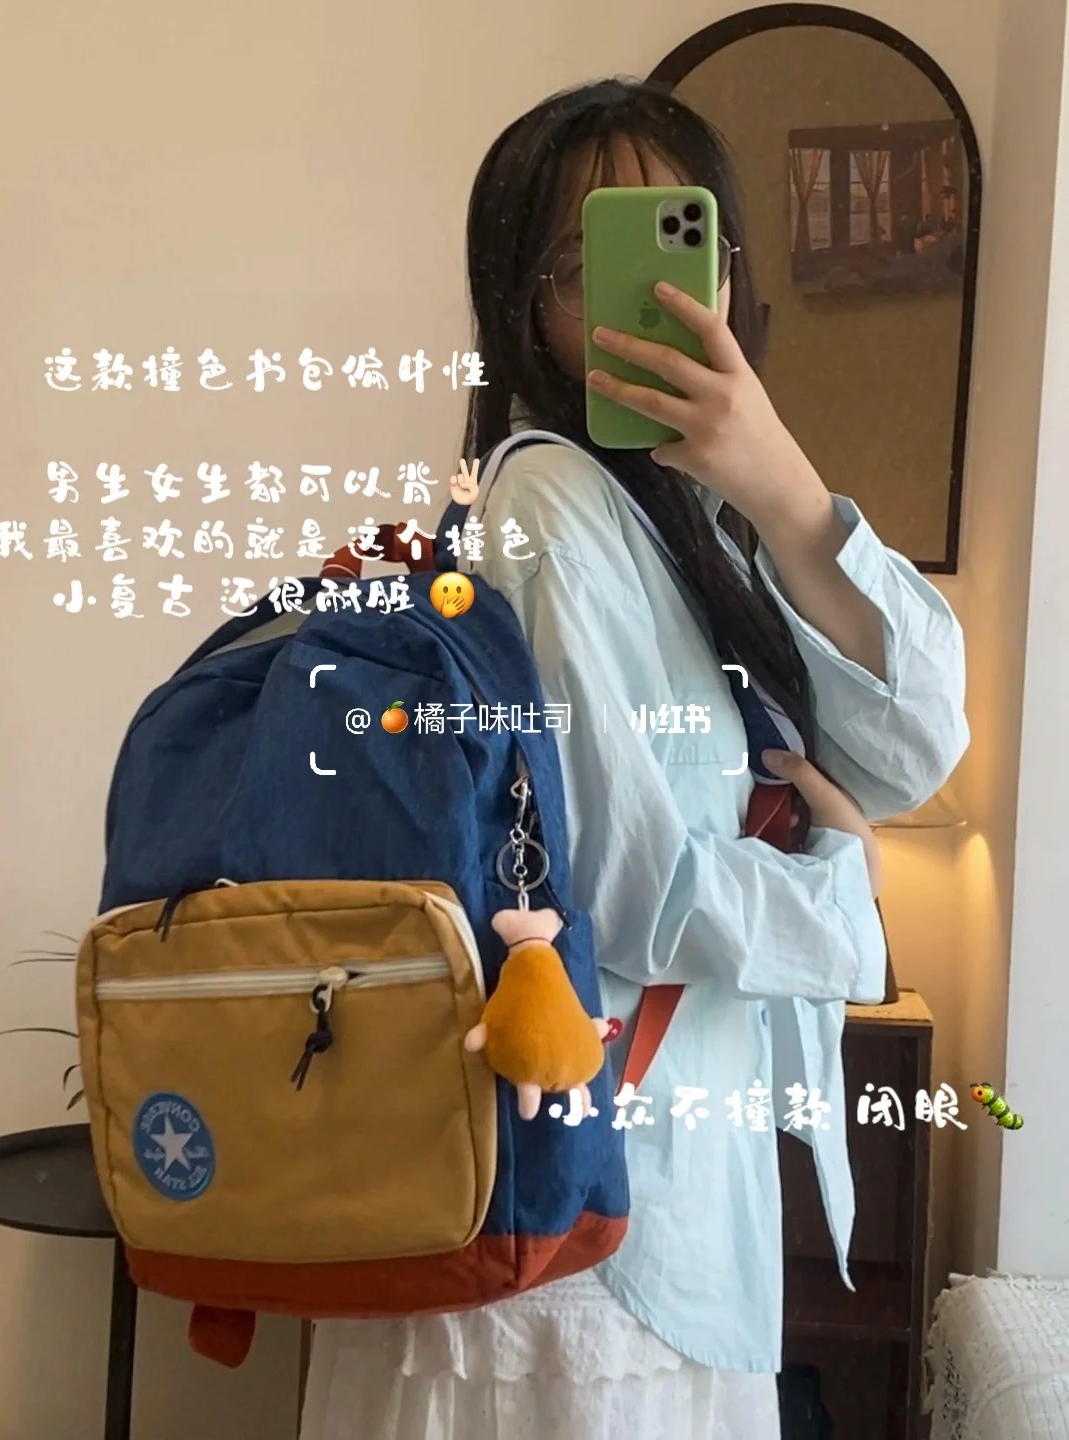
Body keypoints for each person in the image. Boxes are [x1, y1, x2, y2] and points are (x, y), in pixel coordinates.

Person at [299, 77, 969, 1440]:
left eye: (682, 238)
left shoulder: (702, 520)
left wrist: (786, 489)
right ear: (527, 308)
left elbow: (915, 740)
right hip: (589, 1241)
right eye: (586, 260)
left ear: (730, 266)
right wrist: (840, 887)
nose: (654, 296)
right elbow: (622, 878)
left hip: (646, 1193)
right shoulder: (552, 501)